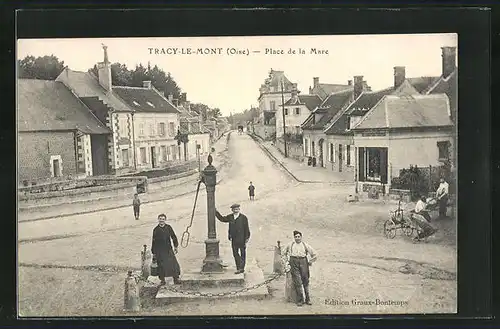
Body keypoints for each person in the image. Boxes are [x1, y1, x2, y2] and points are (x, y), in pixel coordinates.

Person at [284, 230, 317, 307]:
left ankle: (308, 299)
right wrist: (286, 263)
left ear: (301, 237)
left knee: (305, 281)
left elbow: (314, 254)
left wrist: (309, 261)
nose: (297, 238)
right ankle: (300, 300)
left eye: (299, 237)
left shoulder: (305, 245)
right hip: (294, 263)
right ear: (294, 238)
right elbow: (283, 253)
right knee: (298, 282)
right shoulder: (290, 245)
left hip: (303, 263)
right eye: (296, 237)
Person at [215, 204, 250, 274]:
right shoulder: (230, 217)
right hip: (234, 239)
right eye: (234, 209)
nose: (236, 210)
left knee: (243, 253)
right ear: (232, 210)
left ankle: (241, 268)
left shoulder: (243, 218)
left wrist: (247, 238)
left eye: (237, 209)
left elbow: (246, 228)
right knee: (235, 253)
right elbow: (222, 219)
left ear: (239, 209)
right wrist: (215, 212)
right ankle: (239, 267)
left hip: (242, 239)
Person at [151, 214, 181, 285]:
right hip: (160, 251)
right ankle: (162, 280)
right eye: (160, 219)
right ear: (158, 220)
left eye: (163, 219)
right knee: (161, 266)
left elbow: (173, 237)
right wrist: (154, 252)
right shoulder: (156, 230)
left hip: (168, 249)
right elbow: (154, 241)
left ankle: (176, 279)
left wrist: (175, 246)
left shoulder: (168, 227)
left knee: (173, 264)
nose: (161, 220)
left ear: (165, 220)